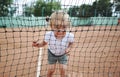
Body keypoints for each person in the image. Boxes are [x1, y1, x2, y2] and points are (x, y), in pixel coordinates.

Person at [32, 10, 74, 77]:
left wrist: (69, 48)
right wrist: (37, 45)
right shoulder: (49, 35)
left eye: (64, 27)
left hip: (63, 54)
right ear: (51, 26)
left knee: (63, 69)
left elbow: (71, 43)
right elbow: (44, 43)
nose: (60, 30)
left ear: (67, 26)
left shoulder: (70, 35)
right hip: (52, 53)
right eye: (57, 27)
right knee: (51, 69)